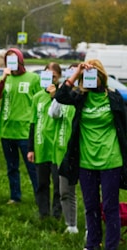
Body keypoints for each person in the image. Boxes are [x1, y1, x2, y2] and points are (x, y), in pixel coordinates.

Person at [55, 59, 127, 250]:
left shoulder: (113, 97)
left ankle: (111, 246)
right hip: (86, 161)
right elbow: (60, 96)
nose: (90, 78)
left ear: (101, 76)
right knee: (91, 207)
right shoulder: (80, 97)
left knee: (110, 208)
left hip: (111, 160)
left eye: (93, 74)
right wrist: (76, 72)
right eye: (87, 75)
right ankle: (92, 244)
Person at [0, 48, 41, 204]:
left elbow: (40, 100)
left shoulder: (33, 78)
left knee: (32, 168)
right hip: (7, 130)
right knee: (12, 167)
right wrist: (4, 78)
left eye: (14, 60)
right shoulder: (4, 78)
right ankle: (15, 197)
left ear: (20, 60)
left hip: (25, 131)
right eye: (8, 61)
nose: (11, 64)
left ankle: (40, 198)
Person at [27, 62, 62, 219]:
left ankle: (57, 214)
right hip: (41, 146)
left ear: (59, 77)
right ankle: (43, 213)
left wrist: (55, 96)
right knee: (42, 183)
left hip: (57, 147)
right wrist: (31, 148)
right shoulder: (37, 97)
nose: (51, 80)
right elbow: (33, 124)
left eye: (53, 76)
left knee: (58, 184)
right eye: (47, 76)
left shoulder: (63, 96)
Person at [49, 63, 79, 234]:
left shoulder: (83, 96)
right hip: (64, 150)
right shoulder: (65, 96)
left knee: (90, 192)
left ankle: (92, 226)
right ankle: (71, 225)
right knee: (65, 191)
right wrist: (61, 91)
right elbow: (53, 113)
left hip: (83, 150)